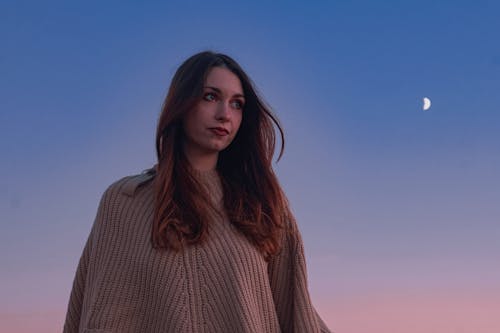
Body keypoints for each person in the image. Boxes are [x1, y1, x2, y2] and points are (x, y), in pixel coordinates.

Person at [63, 51, 332, 333]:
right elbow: (103, 315)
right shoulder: (124, 201)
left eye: (237, 104)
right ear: (181, 103)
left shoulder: (262, 204)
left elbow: (295, 309)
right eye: (210, 97)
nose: (224, 114)